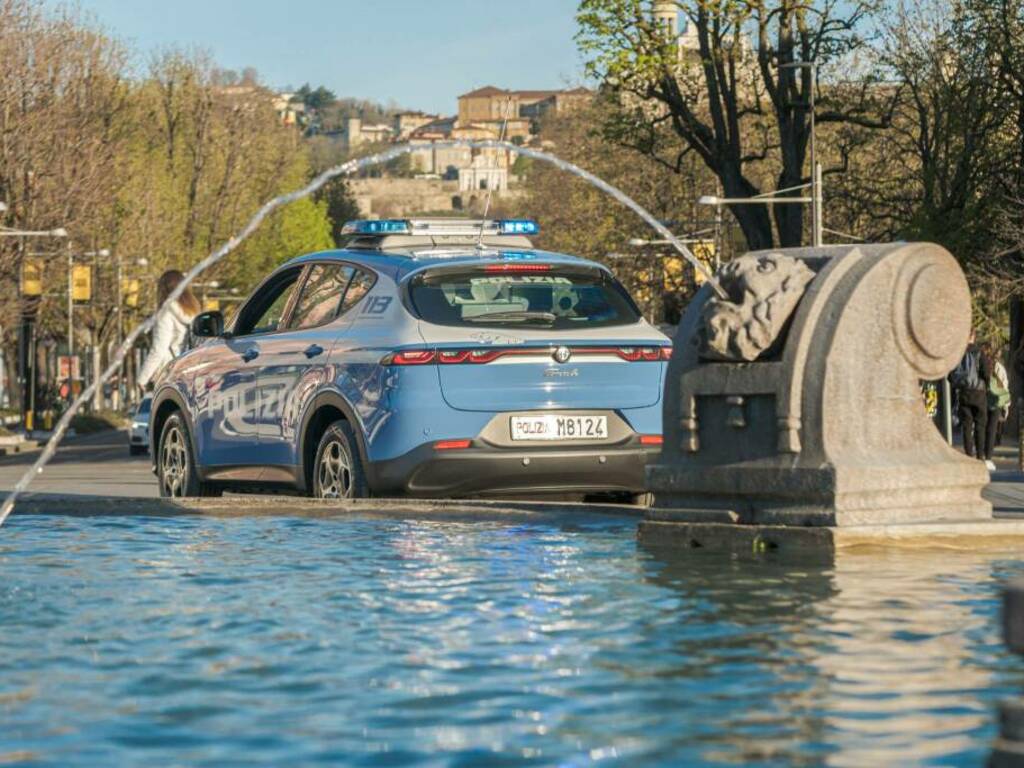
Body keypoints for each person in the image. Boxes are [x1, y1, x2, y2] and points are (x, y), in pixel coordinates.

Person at [137, 270, 201, 392]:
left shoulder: (165, 313)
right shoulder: (194, 312)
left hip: (169, 371)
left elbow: (159, 349)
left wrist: (143, 378)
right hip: (191, 369)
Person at [951, 329, 992, 467]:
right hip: (979, 393)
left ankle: (969, 455)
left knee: (967, 426)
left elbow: (951, 375)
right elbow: (986, 372)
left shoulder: (958, 353)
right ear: (973, 337)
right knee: (980, 425)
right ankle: (980, 456)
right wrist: (985, 384)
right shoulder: (979, 352)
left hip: (964, 393)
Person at [988, 346, 1012, 468]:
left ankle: (983, 451)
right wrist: (1006, 404)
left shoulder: (984, 364)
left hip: (984, 399)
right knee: (993, 427)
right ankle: (988, 454)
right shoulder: (1000, 368)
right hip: (997, 399)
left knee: (986, 426)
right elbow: (1004, 385)